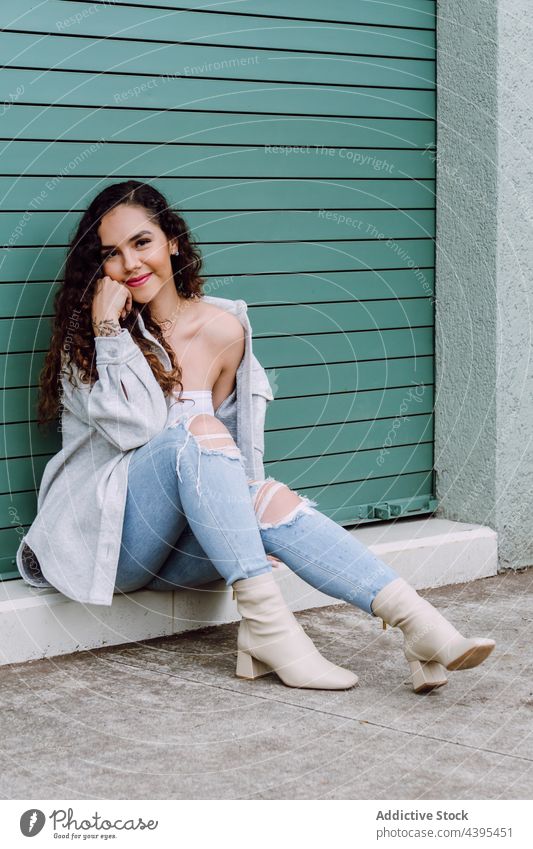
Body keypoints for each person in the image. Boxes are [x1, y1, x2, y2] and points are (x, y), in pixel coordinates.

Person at [17, 180, 495, 695]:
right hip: (110, 545)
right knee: (194, 433)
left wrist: (250, 526)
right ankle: (272, 631)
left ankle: (419, 626)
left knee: (265, 494)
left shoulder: (226, 329)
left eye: (142, 242)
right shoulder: (89, 338)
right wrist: (109, 333)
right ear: (99, 269)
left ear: (172, 241)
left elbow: (241, 453)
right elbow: (132, 431)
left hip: (184, 553)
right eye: (110, 254)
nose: (130, 264)